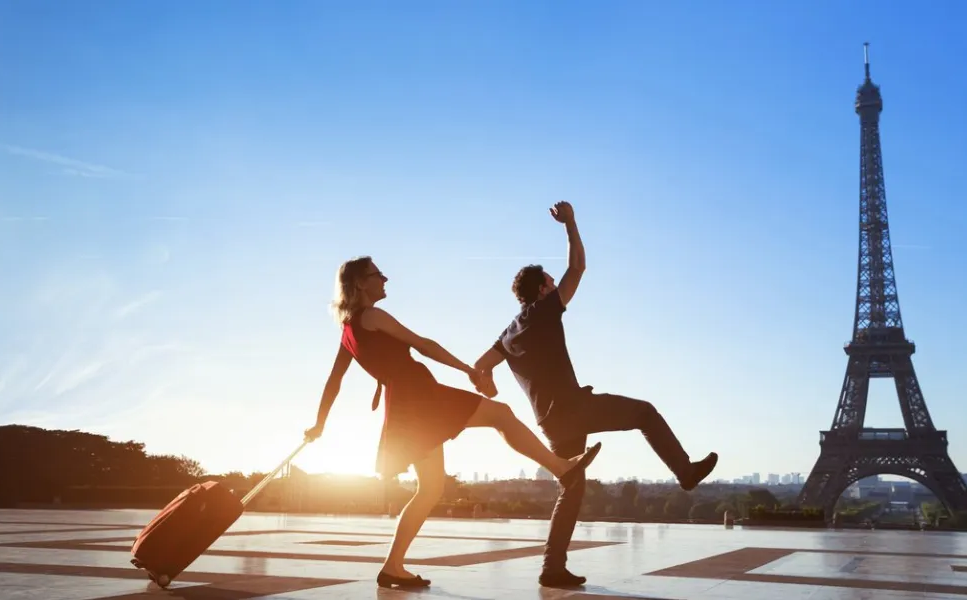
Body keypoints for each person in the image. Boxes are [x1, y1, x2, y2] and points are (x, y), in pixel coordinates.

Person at [303, 256, 602, 589]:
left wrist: (320, 423)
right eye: (378, 275)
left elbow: (334, 380)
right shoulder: (372, 316)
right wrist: (468, 370)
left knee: (430, 489)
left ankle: (393, 568)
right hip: (421, 398)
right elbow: (423, 345)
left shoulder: (348, 329)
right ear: (360, 283)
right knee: (501, 414)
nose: (385, 279)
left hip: (404, 406)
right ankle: (562, 468)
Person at [470, 201, 718, 587]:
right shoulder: (543, 310)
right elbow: (578, 268)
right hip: (573, 407)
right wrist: (571, 224)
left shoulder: (509, 332)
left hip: (549, 420)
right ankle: (684, 472)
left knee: (571, 486)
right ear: (541, 289)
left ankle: (552, 568)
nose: (556, 288)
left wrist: (488, 382)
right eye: (550, 283)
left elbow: (479, 366)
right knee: (645, 413)